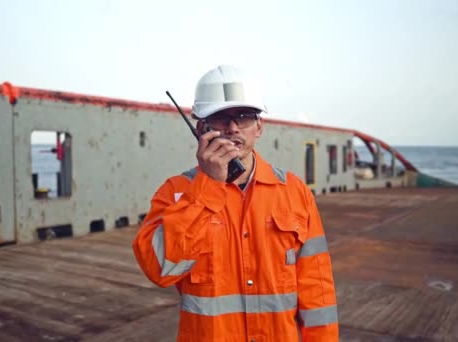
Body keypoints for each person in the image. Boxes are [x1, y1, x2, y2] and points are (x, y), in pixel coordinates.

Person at [133, 65, 338, 341]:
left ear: (259, 127)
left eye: (243, 117)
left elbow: (318, 293)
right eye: (219, 118)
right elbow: (160, 270)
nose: (232, 128)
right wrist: (208, 187)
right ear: (200, 129)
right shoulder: (175, 193)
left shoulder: (294, 192)